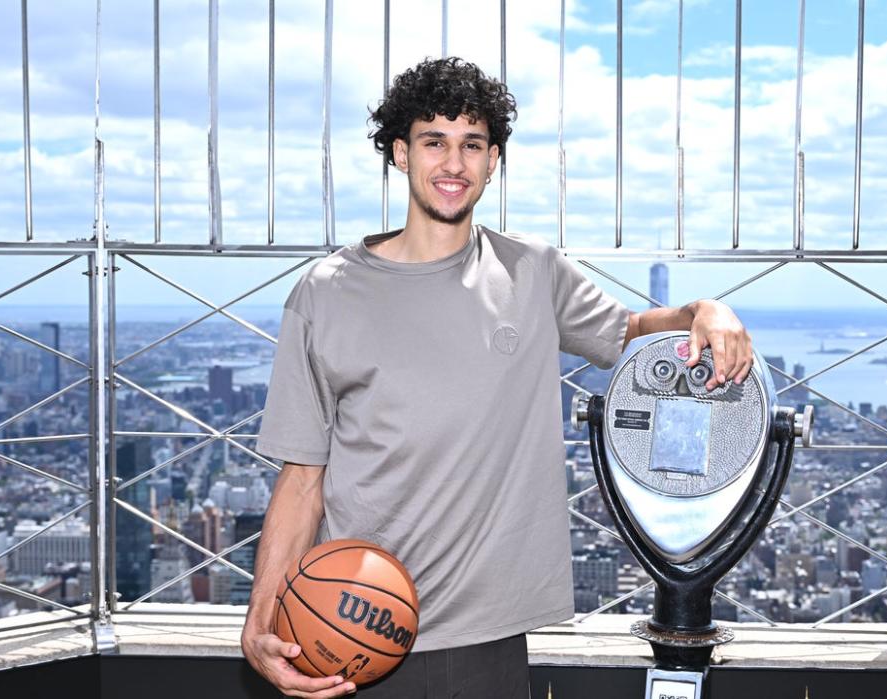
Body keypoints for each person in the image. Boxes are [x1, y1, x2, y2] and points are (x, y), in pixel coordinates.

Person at [241, 57, 752, 698]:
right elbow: (301, 475)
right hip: (348, 629)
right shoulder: (325, 292)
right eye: (434, 142)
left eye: (472, 145)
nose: (453, 164)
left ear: (493, 161)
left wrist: (704, 310)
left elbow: (630, 331)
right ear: (400, 153)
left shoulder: (533, 272)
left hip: (485, 637)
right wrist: (259, 620)